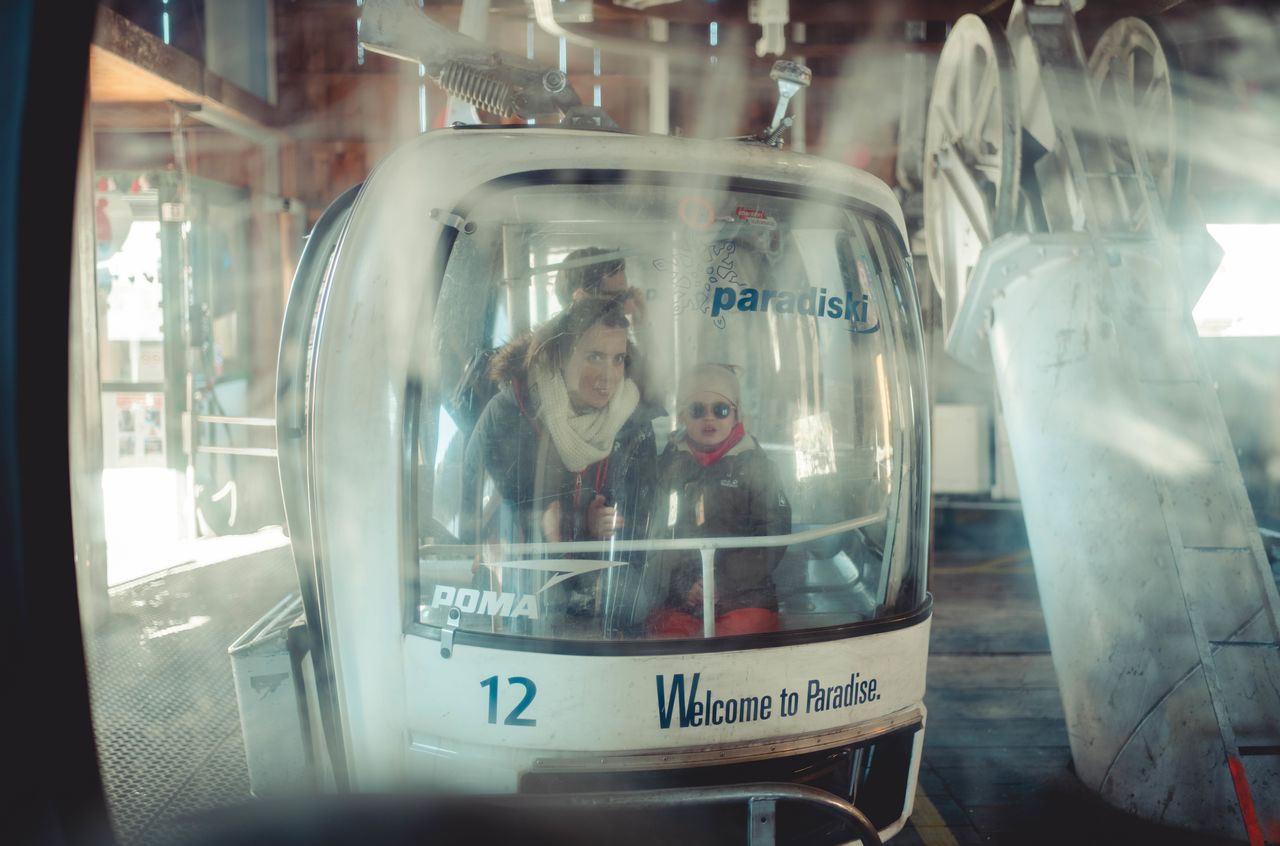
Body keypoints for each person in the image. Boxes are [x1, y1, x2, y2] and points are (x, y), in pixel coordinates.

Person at [460, 296, 656, 631]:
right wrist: (579, 522)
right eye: (594, 356)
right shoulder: (508, 414)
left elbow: (642, 519)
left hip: (602, 580)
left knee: (635, 601)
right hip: (523, 573)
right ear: (561, 355)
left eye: (618, 359)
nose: (608, 377)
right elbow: (477, 514)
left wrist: (605, 528)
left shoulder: (633, 422)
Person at [645, 363, 791, 638]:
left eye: (720, 410)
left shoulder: (758, 468)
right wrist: (683, 584)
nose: (708, 419)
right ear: (683, 416)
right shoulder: (667, 467)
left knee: (736, 647)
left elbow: (773, 536)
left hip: (745, 599)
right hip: (680, 599)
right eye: (697, 410)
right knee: (666, 644)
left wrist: (720, 582)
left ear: (736, 414)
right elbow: (655, 534)